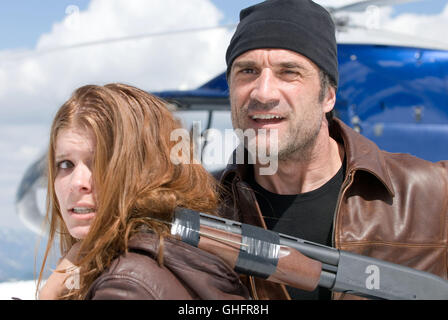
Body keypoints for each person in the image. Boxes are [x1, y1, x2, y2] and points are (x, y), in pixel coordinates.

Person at [217, 0, 448, 300]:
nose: (263, 93)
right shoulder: (202, 208)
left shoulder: (433, 194)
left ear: (327, 96)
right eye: (247, 71)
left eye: (289, 72)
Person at [37, 83, 250, 300]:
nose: (77, 182)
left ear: (147, 171)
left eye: (101, 163)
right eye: (65, 164)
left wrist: (48, 296)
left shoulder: (124, 286)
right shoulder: (183, 252)